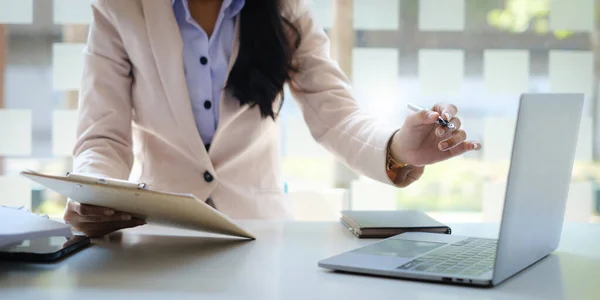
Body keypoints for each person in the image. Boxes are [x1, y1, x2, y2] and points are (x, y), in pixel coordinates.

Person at [64, 0, 481, 237]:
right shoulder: (119, 8)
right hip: (160, 235)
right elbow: (103, 138)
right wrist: (93, 191)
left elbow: (335, 114)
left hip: (261, 236)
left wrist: (397, 147)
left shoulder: (286, 8)